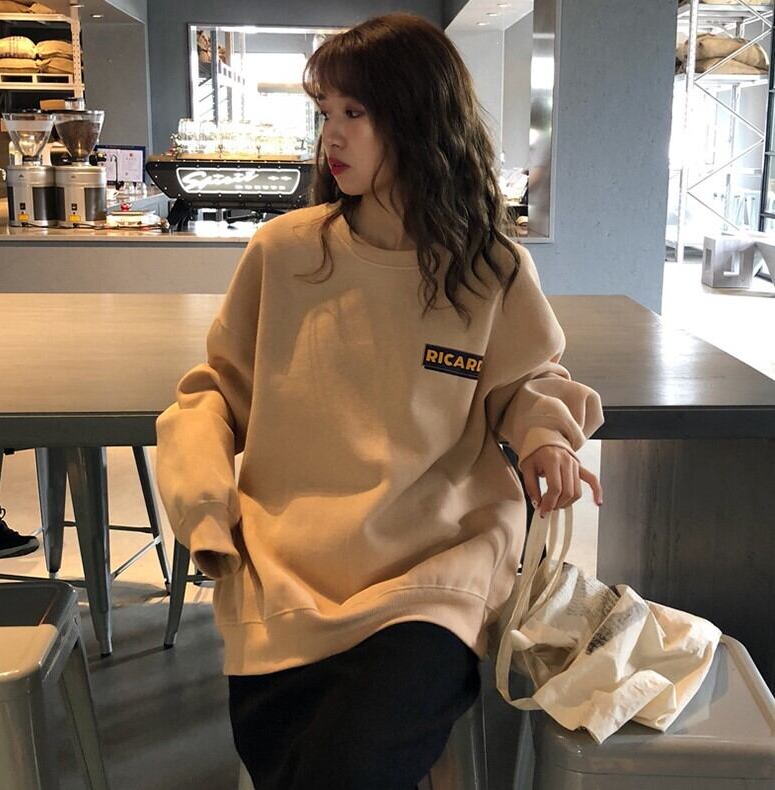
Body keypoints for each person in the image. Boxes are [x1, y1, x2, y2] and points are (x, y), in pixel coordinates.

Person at [155, 13, 604, 790]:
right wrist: (204, 508)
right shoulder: (285, 253)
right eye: (325, 112)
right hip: (288, 569)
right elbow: (213, 396)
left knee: (346, 766)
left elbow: (528, 380)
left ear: (419, 120)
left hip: (436, 571)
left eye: (354, 112)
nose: (331, 135)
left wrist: (545, 436)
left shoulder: (488, 268)